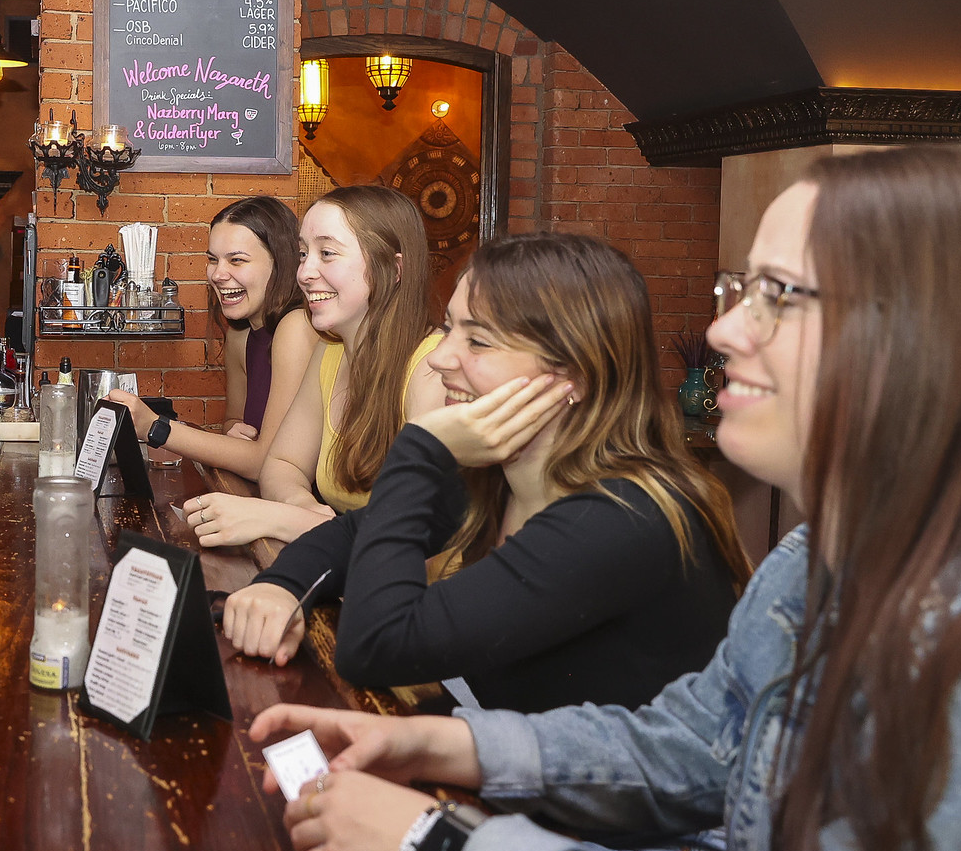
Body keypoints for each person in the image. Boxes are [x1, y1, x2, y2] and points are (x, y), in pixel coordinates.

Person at [253, 146, 961, 851]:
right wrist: (447, 747)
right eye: (739, 293)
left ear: (959, 350)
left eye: (780, 298)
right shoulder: (818, 555)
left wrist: (434, 845)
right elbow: (700, 741)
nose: (723, 331)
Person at [226, 232, 745, 715]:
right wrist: (282, 585)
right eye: (451, 329)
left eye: (478, 342)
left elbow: (376, 646)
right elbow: (353, 534)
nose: (441, 359)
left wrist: (420, 450)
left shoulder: (617, 517)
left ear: (574, 374)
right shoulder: (500, 476)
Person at [182, 186, 440, 547]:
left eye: (327, 253)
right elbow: (281, 464)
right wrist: (300, 506)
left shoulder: (434, 369)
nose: (304, 272)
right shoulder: (331, 351)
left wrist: (286, 519)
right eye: (304, 254)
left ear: (394, 269)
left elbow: (416, 531)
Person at [104, 196, 314, 478]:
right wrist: (232, 430)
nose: (217, 274)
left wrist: (154, 426)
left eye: (237, 260)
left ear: (281, 263)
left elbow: (265, 462)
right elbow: (234, 422)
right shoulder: (240, 337)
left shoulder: (296, 327)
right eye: (213, 260)